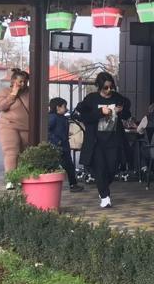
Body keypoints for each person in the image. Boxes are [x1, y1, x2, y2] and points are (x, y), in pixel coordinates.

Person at [76, 72, 131, 208]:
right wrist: (101, 112)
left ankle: (103, 187)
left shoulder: (118, 98)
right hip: (96, 141)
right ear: (99, 87)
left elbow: (127, 115)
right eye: (105, 88)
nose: (109, 90)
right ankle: (105, 196)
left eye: (111, 87)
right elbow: (83, 117)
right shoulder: (91, 99)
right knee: (99, 168)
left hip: (114, 139)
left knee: (112, 168)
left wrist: (121, 111)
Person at [0, 68, 31, 186]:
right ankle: (11, 180)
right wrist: (13, 95)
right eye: (20, 81)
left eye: (25, 81)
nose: (23, 84)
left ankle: (21, 178)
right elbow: (1, 106)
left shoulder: (30, 92)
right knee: (12, 152)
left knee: (24, 153)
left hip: (26, 127)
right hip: (8, 125)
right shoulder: (5, 91)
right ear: (13, 81)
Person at [47, 98, 81, 192]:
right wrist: (57, 140)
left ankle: (73, 184)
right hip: (57, 146)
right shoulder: (53, 117)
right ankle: (72, 184)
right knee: (57, 165)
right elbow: (47, 131)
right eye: (64, 106)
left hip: (64, 146)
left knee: (69, 166)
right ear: (58, 107)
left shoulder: (62, 117)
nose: (66, 109)